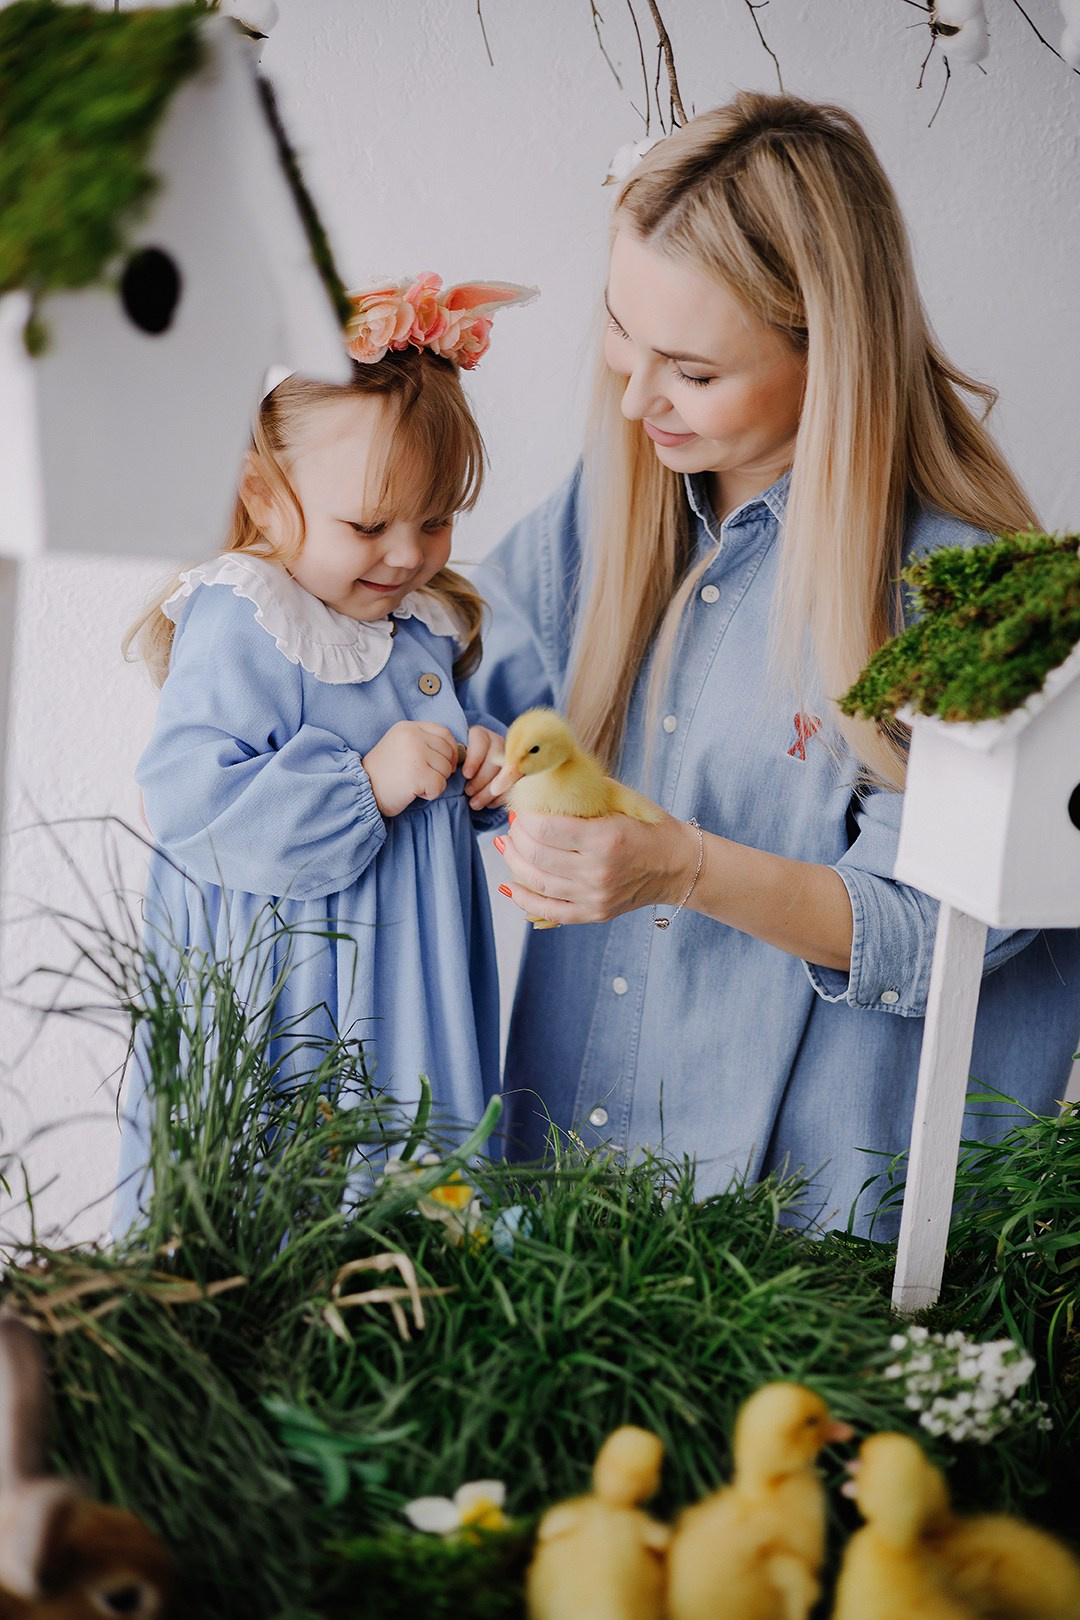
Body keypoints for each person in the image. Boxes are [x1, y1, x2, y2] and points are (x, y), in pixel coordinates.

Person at [470, 92, 1080, 1234]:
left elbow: (944, 934)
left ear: (826, 352)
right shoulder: (611, 515)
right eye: (621, 331)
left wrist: (683, 867)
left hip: (814, 1263)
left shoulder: (968, 599)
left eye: (692, 370)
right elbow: (457, 684)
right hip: (563, 1219)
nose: (635, 393)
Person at [115, 275, 533, 1227]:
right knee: (300, 1182)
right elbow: (185, 799)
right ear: (263, 496)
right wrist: (363, 784)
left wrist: (481, 767)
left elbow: (433, 760)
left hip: (412, 975)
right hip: (301, 987)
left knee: (419, 1156)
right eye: (367, 525)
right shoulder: (246, 618)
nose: (406, 554)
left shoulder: (418, 623)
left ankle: (420, 1301)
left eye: (435, 519)